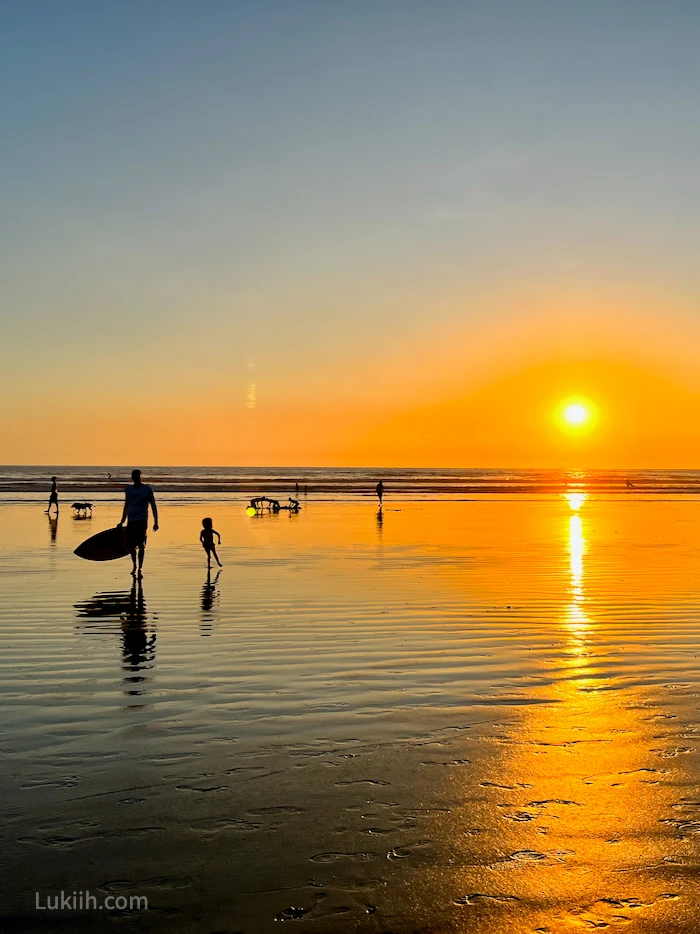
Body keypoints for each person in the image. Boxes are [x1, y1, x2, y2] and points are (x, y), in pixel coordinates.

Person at [118, 469, 159, 578]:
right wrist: (122, 521)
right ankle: (134, 565)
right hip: (131, 521)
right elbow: (126, 505)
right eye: (134, 476)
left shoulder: (147, 490)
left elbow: (153, 506)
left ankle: (140, 567)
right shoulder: (128, 490)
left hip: (142, 520)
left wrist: (156, 521)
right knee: (131, 546)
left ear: (141, 477)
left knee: (141, 545)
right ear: (132, 478)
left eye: (138, 476)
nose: (136, 478)